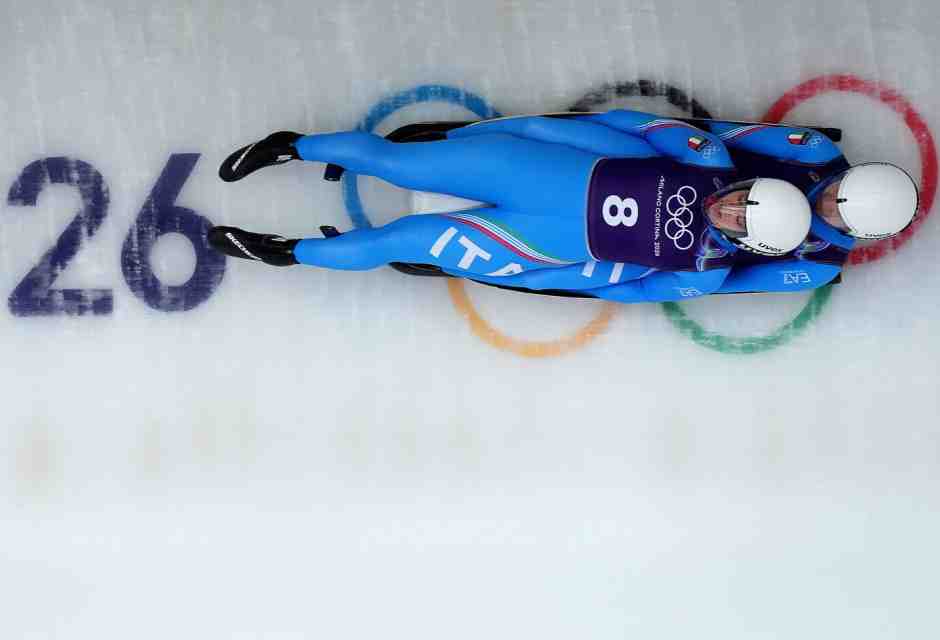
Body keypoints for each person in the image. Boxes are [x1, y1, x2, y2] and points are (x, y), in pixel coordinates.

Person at [209, 110, 812, 303]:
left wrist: (535, 276)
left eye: (739, 222)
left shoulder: (706, 274)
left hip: (534, 241)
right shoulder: (707, 160)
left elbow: (620, 290)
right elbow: (615, 133)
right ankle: (291, 148)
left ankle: (285, 252)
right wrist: (523, 130)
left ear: (747, 245)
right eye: (742, 199)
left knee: (401, 241)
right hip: (538, 174)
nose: (728, 210)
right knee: (396, 161)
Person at [698, 120, 919, 293]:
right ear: (847, 175)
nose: (828, 202)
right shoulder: (814, 150)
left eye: (839, 214)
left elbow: (725, 283)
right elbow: (725, 134)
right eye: (838, 188)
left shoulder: (818, 267)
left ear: (854, 231)